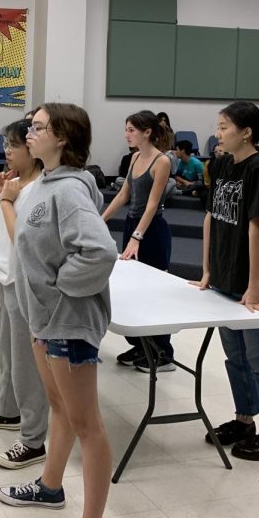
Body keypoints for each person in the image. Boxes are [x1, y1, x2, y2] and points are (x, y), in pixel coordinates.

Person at [0, 104, 118, 518]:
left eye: (40, 127)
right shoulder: (41, 185)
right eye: (31, 126)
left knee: (87, 423)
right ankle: (50, 486)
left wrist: (58, 290)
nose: (30, 132)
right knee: (60, 408)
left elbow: (100, 250)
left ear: (63, 138)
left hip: (67, 320)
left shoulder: (68, 191)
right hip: (45, 319)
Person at [0, 119, 49, 470]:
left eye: (14, 145)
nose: (7, 151)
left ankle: (33, 439)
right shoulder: (11, 184)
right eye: (5, 145)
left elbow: (26, 241)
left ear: (32, 149)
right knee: (5, 355)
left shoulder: (40, 189)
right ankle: (7, 411)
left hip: (24, 282)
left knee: (27, 365)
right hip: (3, 277)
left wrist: (6, 199)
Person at [191, 101, 259, 461]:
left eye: (224, 127)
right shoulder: (220, 163)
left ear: (246, 132)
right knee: (235, 357)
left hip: (250, 283)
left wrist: (255, 285)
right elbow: (210, 217)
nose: (217, 134)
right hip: (223, 276)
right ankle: (244, 419)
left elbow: (257, 225)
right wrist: (207, 270)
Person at [102, 111, 175, 372]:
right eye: (126, 129)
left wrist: (137, 237)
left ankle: (163, 353)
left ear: (147, 132)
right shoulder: (134, 158)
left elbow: (153, 205)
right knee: (134, 291)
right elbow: (124, 195)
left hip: (151, 230)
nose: (127, 134)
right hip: (135, 226)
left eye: (131, 129)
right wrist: (102, 220)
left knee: (153, 292)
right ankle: (143, 345)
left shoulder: (161, 161)